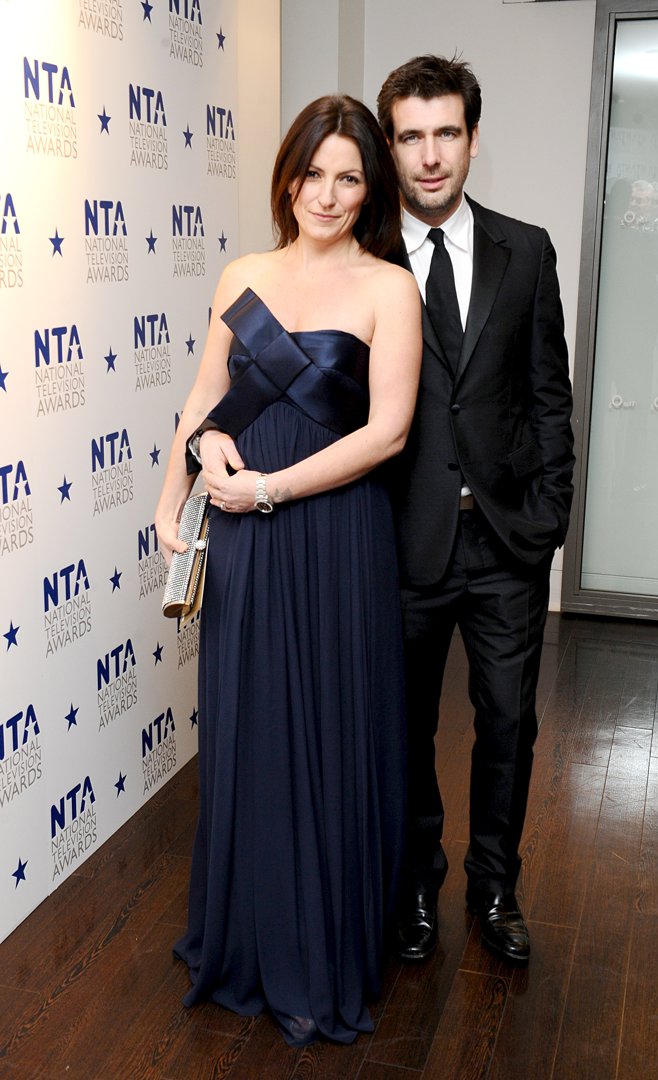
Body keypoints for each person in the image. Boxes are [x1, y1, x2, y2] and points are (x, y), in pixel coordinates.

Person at [154, 94, 421, 1046]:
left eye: (350, 177)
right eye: (315, 173)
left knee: (330, 723)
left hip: (334, 530)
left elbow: (387, 434)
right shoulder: (243, 272)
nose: (330, 194)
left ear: (369, 188)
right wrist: (169, 498)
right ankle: (248, 940)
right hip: (242, 530)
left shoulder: (389, 285)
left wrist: (268, 490)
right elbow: (203, 399)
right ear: (289, 175)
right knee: (250, 727)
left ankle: (320, 947)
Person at [376, 55, 575, 966]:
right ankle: (417, 884)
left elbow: (547, 398)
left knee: (507, 724)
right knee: (405, 728)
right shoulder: (365, 259)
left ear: (471, 139)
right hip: (400, 545)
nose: (428, 157)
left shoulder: (524, 249)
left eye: (444, 133)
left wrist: (548, 519)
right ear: (390, 145)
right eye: (410, 136)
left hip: (504, 545)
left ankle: (494, 890)